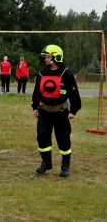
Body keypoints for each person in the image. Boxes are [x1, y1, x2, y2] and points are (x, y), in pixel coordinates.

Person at [32, 44, 81, 177]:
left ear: (55, 57)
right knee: (42, 137)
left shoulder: (66, 74)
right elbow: (36, 92)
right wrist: (35, 107)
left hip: (61, 113)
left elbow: (74, 93)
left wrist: (73, 110)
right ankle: (45, 163)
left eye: (48, 57)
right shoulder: (42, 73)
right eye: (46, 57)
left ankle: (65, 166)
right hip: (44, 112)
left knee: (63, 138)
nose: (46, 59)